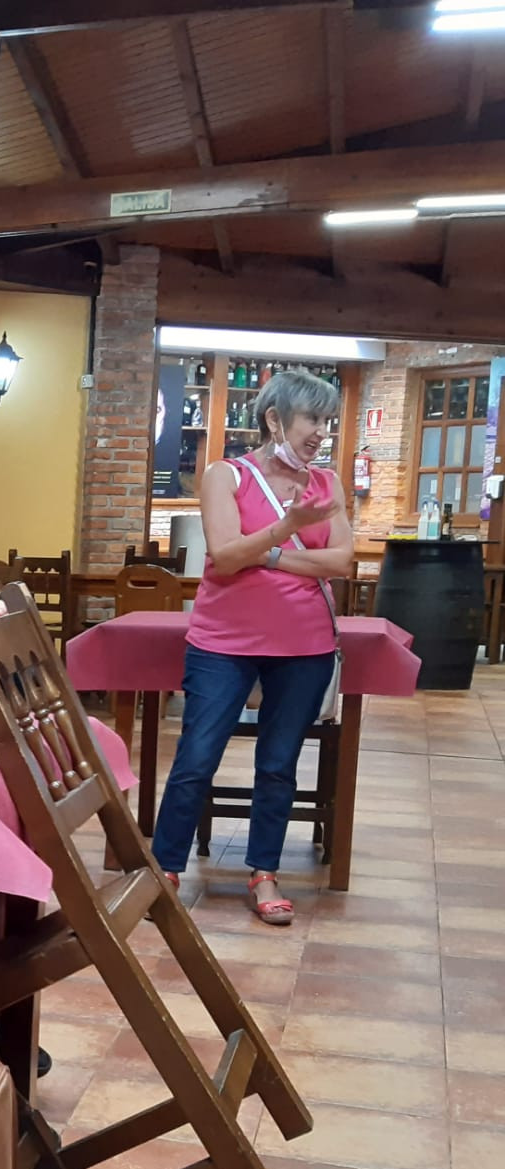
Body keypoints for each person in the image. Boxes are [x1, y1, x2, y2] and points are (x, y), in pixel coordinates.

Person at [150, 368, 353, 926]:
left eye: (326, 421)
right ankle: (164, 869)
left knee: (279, 765)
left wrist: (268, 552)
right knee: (196, 757)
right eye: (312, 418)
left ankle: (263, 871)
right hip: (224, 644)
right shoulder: (225, 475)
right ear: (274, 419)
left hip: (306, 644)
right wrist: (288, 527)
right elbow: (225, 554)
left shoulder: (328, 483)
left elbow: (340, 562)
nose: (320, 432)